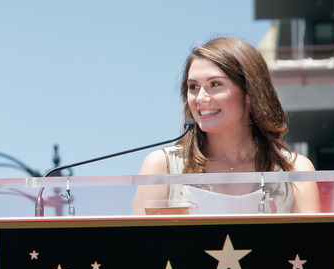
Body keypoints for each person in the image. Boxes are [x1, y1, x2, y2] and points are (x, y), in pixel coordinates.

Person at [134, 37, 320, 214]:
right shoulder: (161, 166)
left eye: (215, 84)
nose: (200, 98)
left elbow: (315, 246)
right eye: (193, 87)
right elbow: (136, 245)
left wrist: (272, 229)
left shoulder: (296, 170)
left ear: (249, 92)